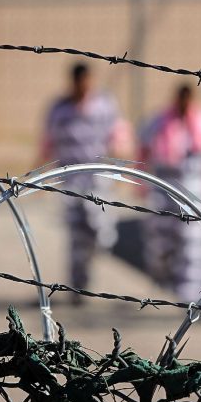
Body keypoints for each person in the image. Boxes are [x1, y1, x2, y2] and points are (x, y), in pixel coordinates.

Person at [40, 62, 131, 303]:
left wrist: (121, 168)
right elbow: (47, 142)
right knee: (75, 235)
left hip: (97, 179)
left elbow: (118, 135)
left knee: (101, 233)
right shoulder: (60, 109)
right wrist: (39, 175)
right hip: (70, 179)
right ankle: (78, 286)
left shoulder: (104, 105)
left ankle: (87, 268)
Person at [140, 84, 201, 302]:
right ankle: (163, 280)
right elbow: (143, 149)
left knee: (194, 246)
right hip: (165, 187)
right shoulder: (159, 121)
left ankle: (191, 298)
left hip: (195, 189)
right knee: (160, 246)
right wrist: (141, 182)